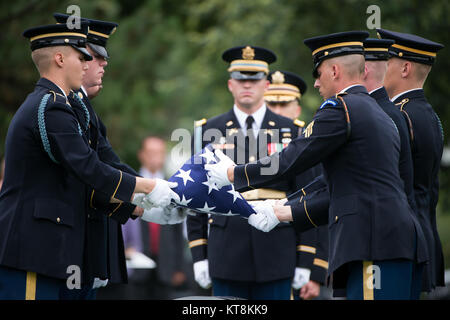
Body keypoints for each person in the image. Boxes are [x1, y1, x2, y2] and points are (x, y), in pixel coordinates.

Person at [206, 31, 428, 300]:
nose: (315, 83)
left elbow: (292, 159)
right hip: (387, 240)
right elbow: (333, 186)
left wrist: (233, 173)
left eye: (318, 72)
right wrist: (283, 209)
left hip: (374, 243)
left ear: (334, 71)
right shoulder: (372, 110)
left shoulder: (340, 109)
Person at [0, 22, 179, 300]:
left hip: (52, 252)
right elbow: (89, 168)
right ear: (59, 59)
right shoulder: (50, 106)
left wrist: (144, 205)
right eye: (81, 56)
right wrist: (149, 188)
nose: (87, 64)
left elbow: (100, 168)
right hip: (32, 250)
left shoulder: (68, 107)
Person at [186, 46, 305, 300]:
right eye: (241, 79)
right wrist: (199, 254)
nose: (247, 85)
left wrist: (306, 257)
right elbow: (196, 194)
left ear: (267, 84)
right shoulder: (209, 129)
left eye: (255, 79)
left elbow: (304, 191)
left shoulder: (292, 130)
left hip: (277, 247)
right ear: (231, 84)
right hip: (226, 248)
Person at [52, 13, 144, 300]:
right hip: (63, 248)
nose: (103, 64)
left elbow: (110, 163)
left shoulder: (82, 108)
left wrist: (156, 194)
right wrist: (150, 195)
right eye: (92, 56)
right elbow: (89, 171)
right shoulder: (57, 107)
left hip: (85, 249)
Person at [378, 28, 445, 292]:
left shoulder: (398, 116)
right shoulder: (428, 115)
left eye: (386, 61)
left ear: (405, 68)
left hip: (400, 240)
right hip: (423, 234)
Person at [265, 70, 329, 300]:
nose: (277, 111)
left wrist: (315, 269)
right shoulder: (251, 147)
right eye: (271, 103)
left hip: (298, 256)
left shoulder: (309, 144)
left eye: (284, 104)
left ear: (298, 109)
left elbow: (320, 205)